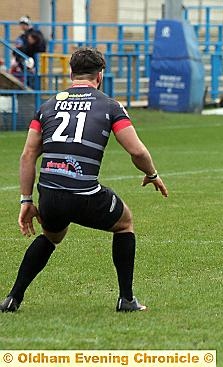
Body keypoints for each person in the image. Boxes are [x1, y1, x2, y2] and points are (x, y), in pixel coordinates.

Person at [0, 47, 168, 313]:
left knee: (52, 235)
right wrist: (152, 174)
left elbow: (28, 155)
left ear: (70, 74)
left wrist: (26, 200)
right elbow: (137, 151)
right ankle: (126, 299)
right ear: (100, 75)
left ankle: (12, 298)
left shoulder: (46, 106)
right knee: (124, 223)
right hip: (84, 193)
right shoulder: (110, 106)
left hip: (50, 194)